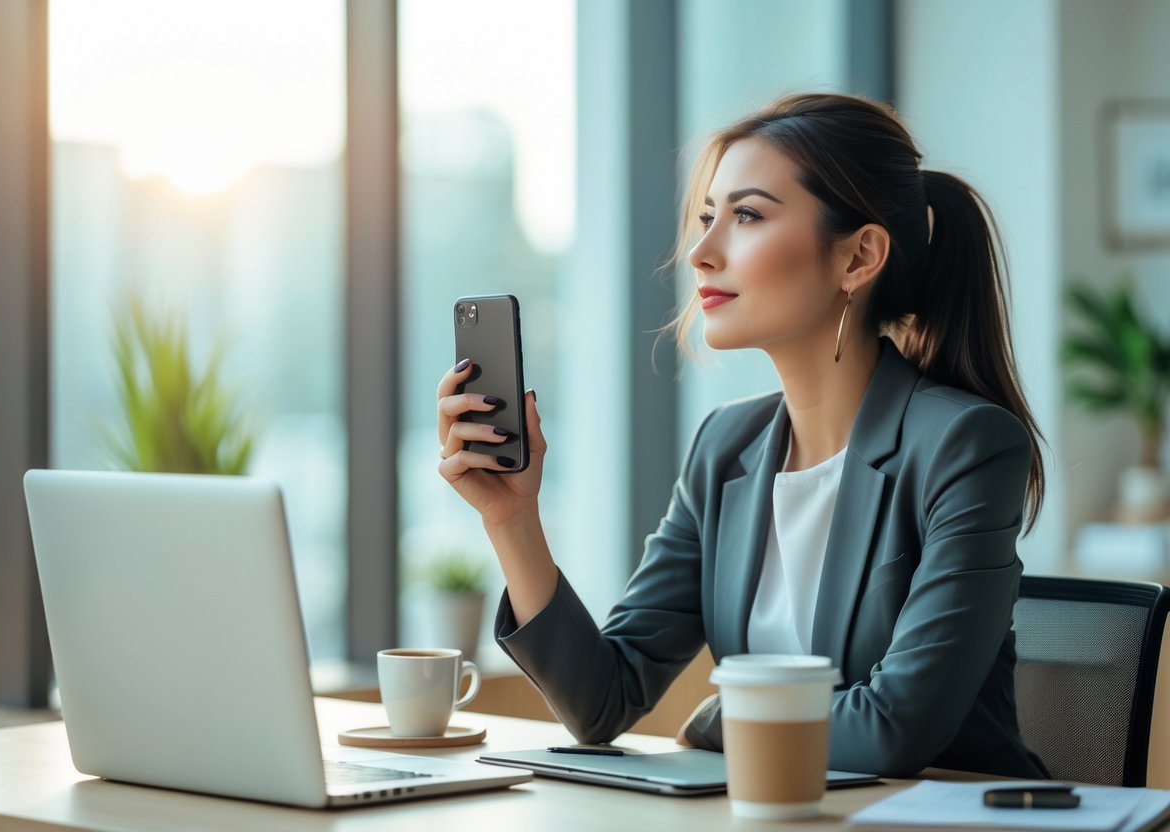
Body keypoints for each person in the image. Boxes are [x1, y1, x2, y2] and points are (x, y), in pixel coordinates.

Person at [436, 92, 1049, 779]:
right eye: (706, 218)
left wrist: (726, 715)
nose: (699, 253)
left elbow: (892, 731)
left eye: (746, 216)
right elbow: (601, 701)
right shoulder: (725, 446)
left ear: (858, 258)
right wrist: (512, 518)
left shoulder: (966, 445)